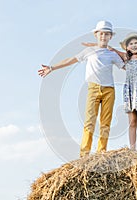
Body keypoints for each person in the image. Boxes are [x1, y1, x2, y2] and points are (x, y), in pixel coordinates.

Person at [38, 21, 125, 157]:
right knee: (89, 121)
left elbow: (126, 66)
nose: (104, 36)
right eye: (101, 33)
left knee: (105, 122)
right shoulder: (89, 51)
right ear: (96, 35)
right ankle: (84, 154)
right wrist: (52, 68)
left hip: (109, 90)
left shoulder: (113, 54)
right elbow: (71, 60)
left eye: (107, 34)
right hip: (93, 88)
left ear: (110, 37)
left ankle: (101, 152)